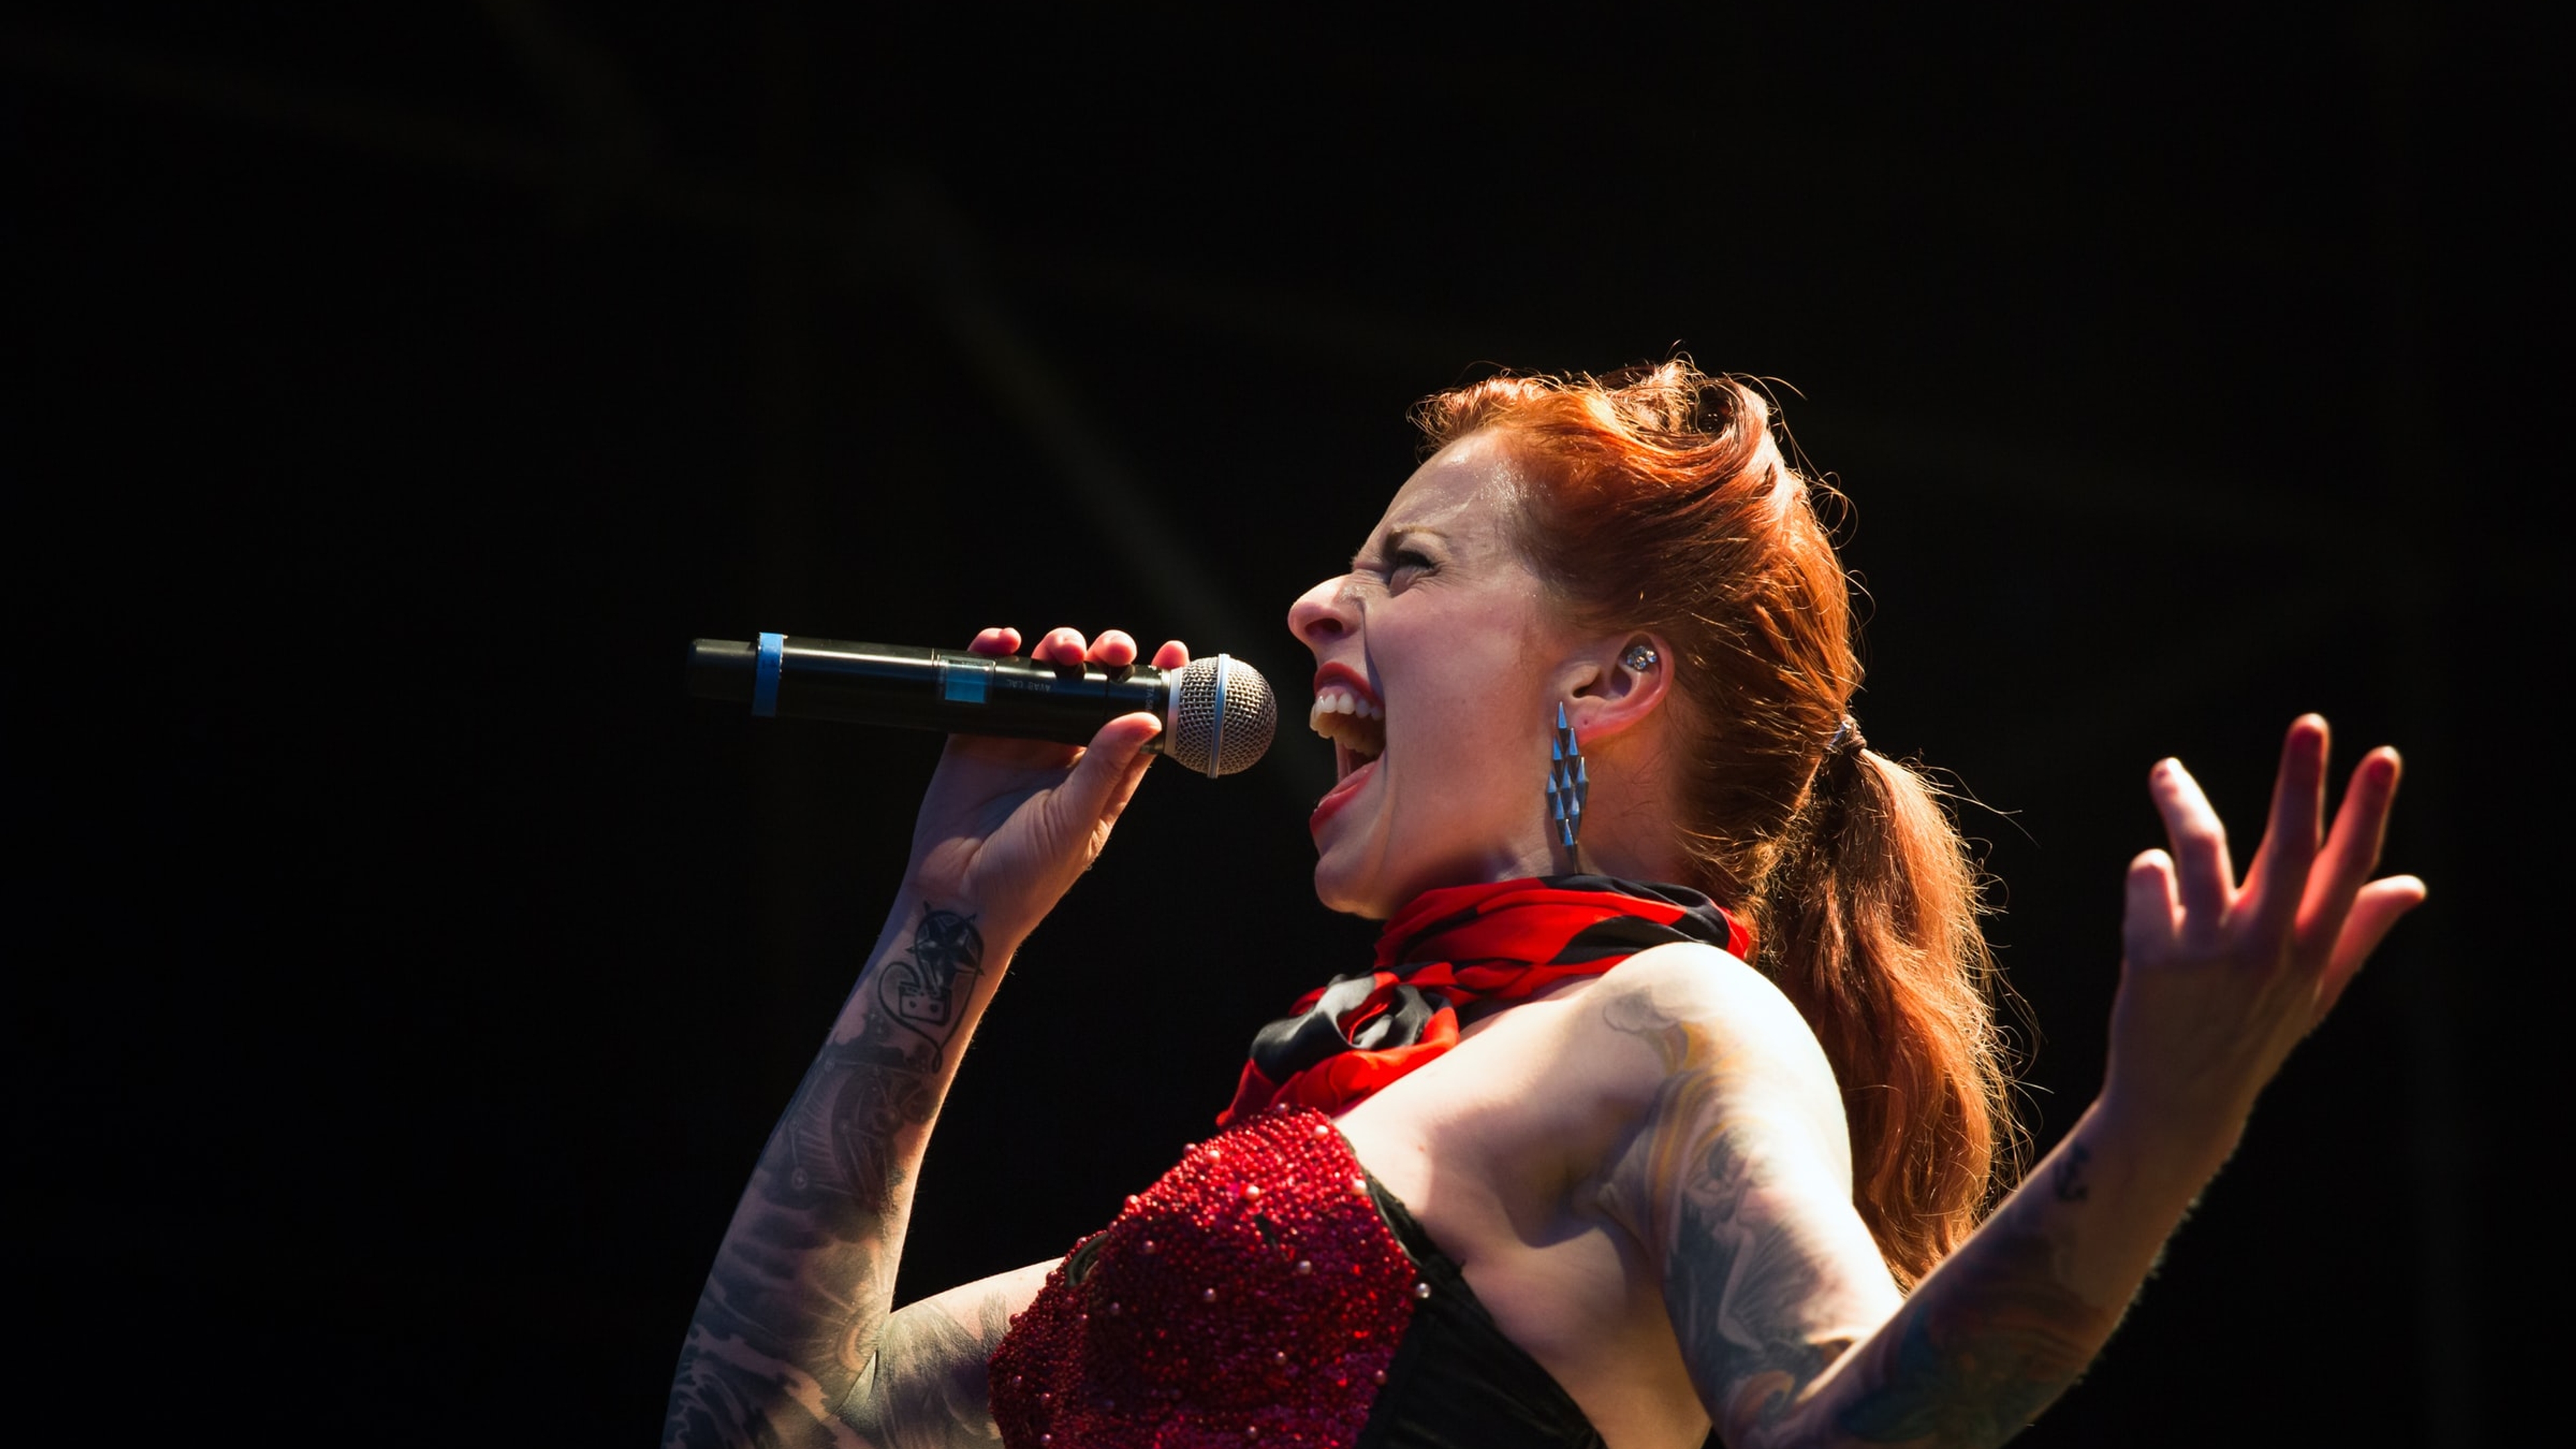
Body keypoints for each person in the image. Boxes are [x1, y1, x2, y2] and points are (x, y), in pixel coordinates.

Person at [662, 362, 2424, 1449]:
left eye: (1403, 569)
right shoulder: (1327, 1107)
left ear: (1610, 681)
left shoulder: (1679, 1027)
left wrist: (2164, 1129)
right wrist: (947, 929)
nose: (1309, 613)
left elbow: (1854, 1428)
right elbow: (770, 1428)